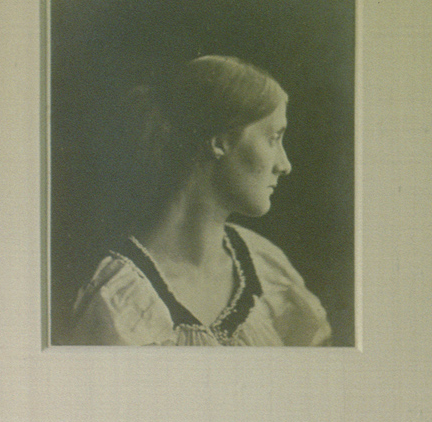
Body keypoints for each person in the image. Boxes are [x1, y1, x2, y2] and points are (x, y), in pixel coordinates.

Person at [67, 54, 332, 347]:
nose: (285, 165)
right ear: (219, 142)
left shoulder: (265, 266)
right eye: (273, 138)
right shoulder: (121, 303)